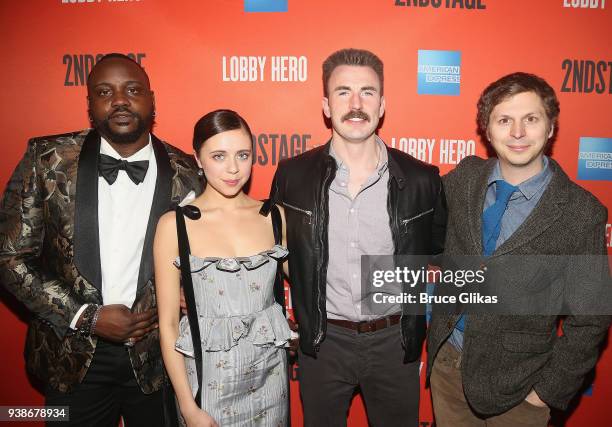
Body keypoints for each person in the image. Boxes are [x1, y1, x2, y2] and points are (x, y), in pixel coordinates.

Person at [0, 53, 201, 426]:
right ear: (90, 104)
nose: (120, 100)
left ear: (151, 99)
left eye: (133, 90)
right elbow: (9, 257)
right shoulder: (48, 160)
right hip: (71, 356)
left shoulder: (189, 172)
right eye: (105, 92)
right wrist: (85, 317)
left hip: (161, 360)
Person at [268, 48, 447, 427]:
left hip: (394, 341)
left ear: (382, 105)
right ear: (326, 105)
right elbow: (275, 249)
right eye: (343, 92)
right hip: (323, 341)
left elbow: (434, 253)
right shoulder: (292, 176)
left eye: (367, 92)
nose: (355, 104)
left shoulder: (421, 179)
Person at [427, 72, 611, 426]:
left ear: (551, 127)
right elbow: (415, 207)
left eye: (530, 119)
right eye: (504, 120)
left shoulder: (581, 212)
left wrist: (545, 393)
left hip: (520, 386)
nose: (517, 132)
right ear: (487, 129)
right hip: (449, 366)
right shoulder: (464, 179)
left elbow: (591, 319)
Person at [154, 109, 292, 427]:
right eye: (219, 156)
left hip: (270, 381)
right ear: (198, 159)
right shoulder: (173, 226)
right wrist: (189, 408)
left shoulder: (273, 217)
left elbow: (307, 284)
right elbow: (169, 327)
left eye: (242, 155)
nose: (233, 168)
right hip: (207, 384)